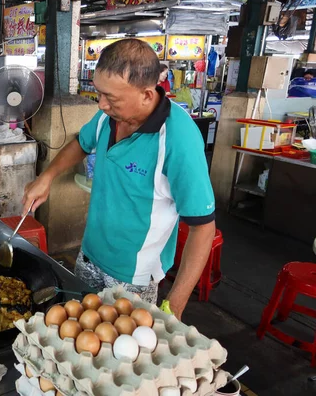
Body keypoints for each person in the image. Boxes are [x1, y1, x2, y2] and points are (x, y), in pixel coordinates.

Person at [22, 39, 215, 319]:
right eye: (99, 93)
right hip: (89, 255)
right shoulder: (106, 119)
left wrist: (175, 305)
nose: (101, 105)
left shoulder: (178, 140)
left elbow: (202, 228)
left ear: (147, 95)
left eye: (111, 98)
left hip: (133, 276)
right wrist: (47, 176)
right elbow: (81, 143)